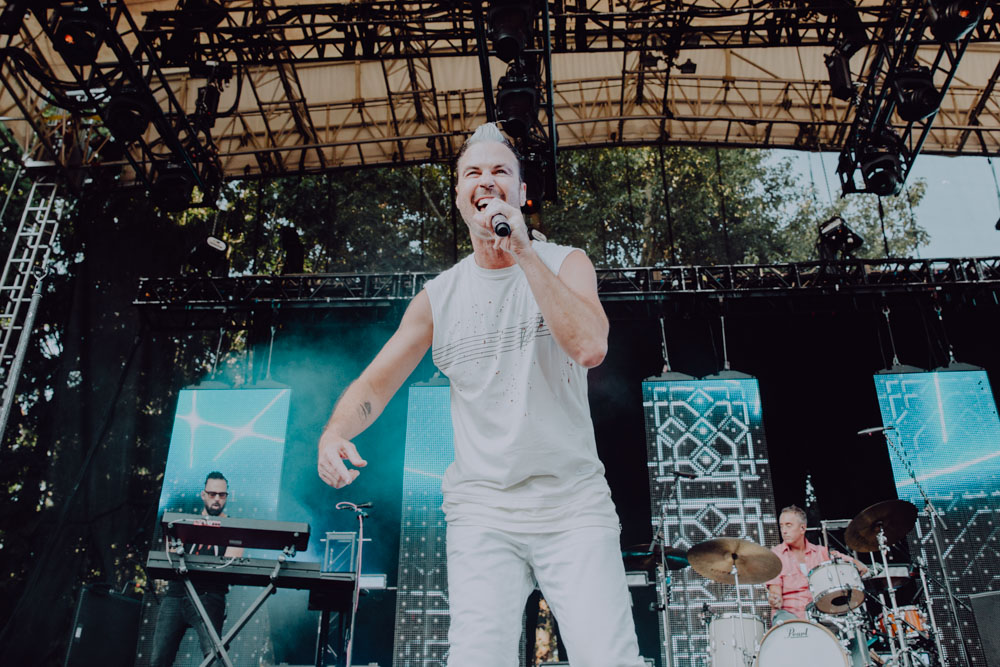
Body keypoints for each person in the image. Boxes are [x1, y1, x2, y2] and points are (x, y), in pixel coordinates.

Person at [317, 122, 646, 667]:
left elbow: (589, 346)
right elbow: (376, 383)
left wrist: (523, 252)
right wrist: (335, 432)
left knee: (609, 659)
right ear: (459, 197)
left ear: (520, 193)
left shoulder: (565, 263)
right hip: (482, 509)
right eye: (473, 172)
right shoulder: (439, 298)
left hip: (571, 504)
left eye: (500, 172)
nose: (486, 181)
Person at [150, 471, 243, 667]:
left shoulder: (234, 527)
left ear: (227, 496)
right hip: (176, 595)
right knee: (159, 659)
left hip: (210, 596)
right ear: (203, 495)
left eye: (222, 495)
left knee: (213, 657)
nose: (217, 499)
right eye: (212, 494)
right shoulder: (184, 524)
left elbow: (233, 561)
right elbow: (170, 554)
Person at [765, 504, 869, 623]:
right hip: (790, 617)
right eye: (781, 526)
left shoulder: (821, 552)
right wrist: (775, 599)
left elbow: (848, 561)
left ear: (802, 528)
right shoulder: (776, 555)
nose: (784, 531)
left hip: (822, 616)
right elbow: (775, 592)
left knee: (851, 622)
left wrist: (857, 564)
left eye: (789, 525)